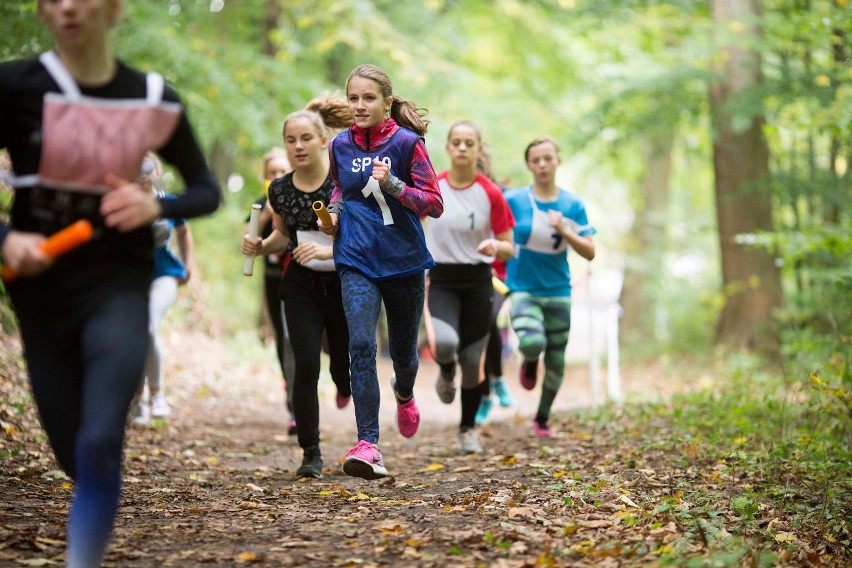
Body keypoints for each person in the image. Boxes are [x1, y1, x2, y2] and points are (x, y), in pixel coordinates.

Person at [0, 1, 221, 566]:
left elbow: (205, 189)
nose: (68, 6)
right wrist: (5, 238)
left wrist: (156, 204)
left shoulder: (151, 98)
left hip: (119, 284)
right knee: (75, 452)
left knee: (101, 440)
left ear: (113, 8)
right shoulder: (14, 85)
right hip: (41, 290)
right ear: (45, 12)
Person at [318, 64, 443, 480]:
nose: (359, 105)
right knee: (360, 345)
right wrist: (332, 214)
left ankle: (404, 392)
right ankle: (368, 443)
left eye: (368, 98)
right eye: (353, 98)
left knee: (404, 354)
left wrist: (394, 187)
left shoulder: (408, 144)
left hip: (404, 260)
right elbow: (340, 189)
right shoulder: (339, 146)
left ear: (387, 102)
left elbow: (433, 203)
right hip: (355, 258)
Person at [242, 96, 353, 479]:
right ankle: (311, 452)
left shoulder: (343, 182)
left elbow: (358, 233)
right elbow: (281, 235)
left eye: (306, 138)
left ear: (324, 140)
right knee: (304, 363)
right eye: (291, 140)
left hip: (343, 281)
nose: (298, 146)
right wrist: (259, 247)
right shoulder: (280, 190)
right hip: (301, 283)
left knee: (343, 363)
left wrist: (329, 249)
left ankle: (344, 382)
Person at [423, 120, 514, 454]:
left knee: (473, 362)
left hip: (478, 281)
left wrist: (495, 247)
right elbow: (414, 229)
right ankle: (445, 371)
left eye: (468, 143)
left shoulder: (489, 192)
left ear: (478, 149)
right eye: (456, 142)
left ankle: (467, 428)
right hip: (442, 279)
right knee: (445, 344)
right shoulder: (433, 187)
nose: (462, 148)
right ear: (447, 148)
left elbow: (509, 245)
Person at [504, 136, 595, 437]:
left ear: (558, 161)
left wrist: (564, 230)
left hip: (558, 290)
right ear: (529, 165)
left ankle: (542, 418)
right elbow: (496, 231)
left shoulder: (572, 204)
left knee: (556, 360)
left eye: (548, 158)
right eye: (536, 160)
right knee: (532, 343)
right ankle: (529, 361)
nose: (542, 165)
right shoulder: (515, 200)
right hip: (522, 288)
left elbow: (590, 251)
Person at [131, 153, 195, 426]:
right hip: (131, 277)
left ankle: (156, 394)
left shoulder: (168, 203)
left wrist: (188, 262)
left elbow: (184, 232)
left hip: (165, 273)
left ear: (157, 170)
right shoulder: (122, 202)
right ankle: (136, 399)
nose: (142, 170)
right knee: (133, 334)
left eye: (147, 164)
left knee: (147, 326)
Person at [249, 147, 297, 435]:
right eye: (272, 173)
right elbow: (249, 242)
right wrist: (266, 216)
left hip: (298, 275)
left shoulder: (297, 197)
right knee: (283, 338)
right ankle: (292, 402)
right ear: (264, 177)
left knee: (299, 338)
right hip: (272, 278)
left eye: (282, 171)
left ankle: (299, 391)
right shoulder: (259, 203)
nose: (277, 177)